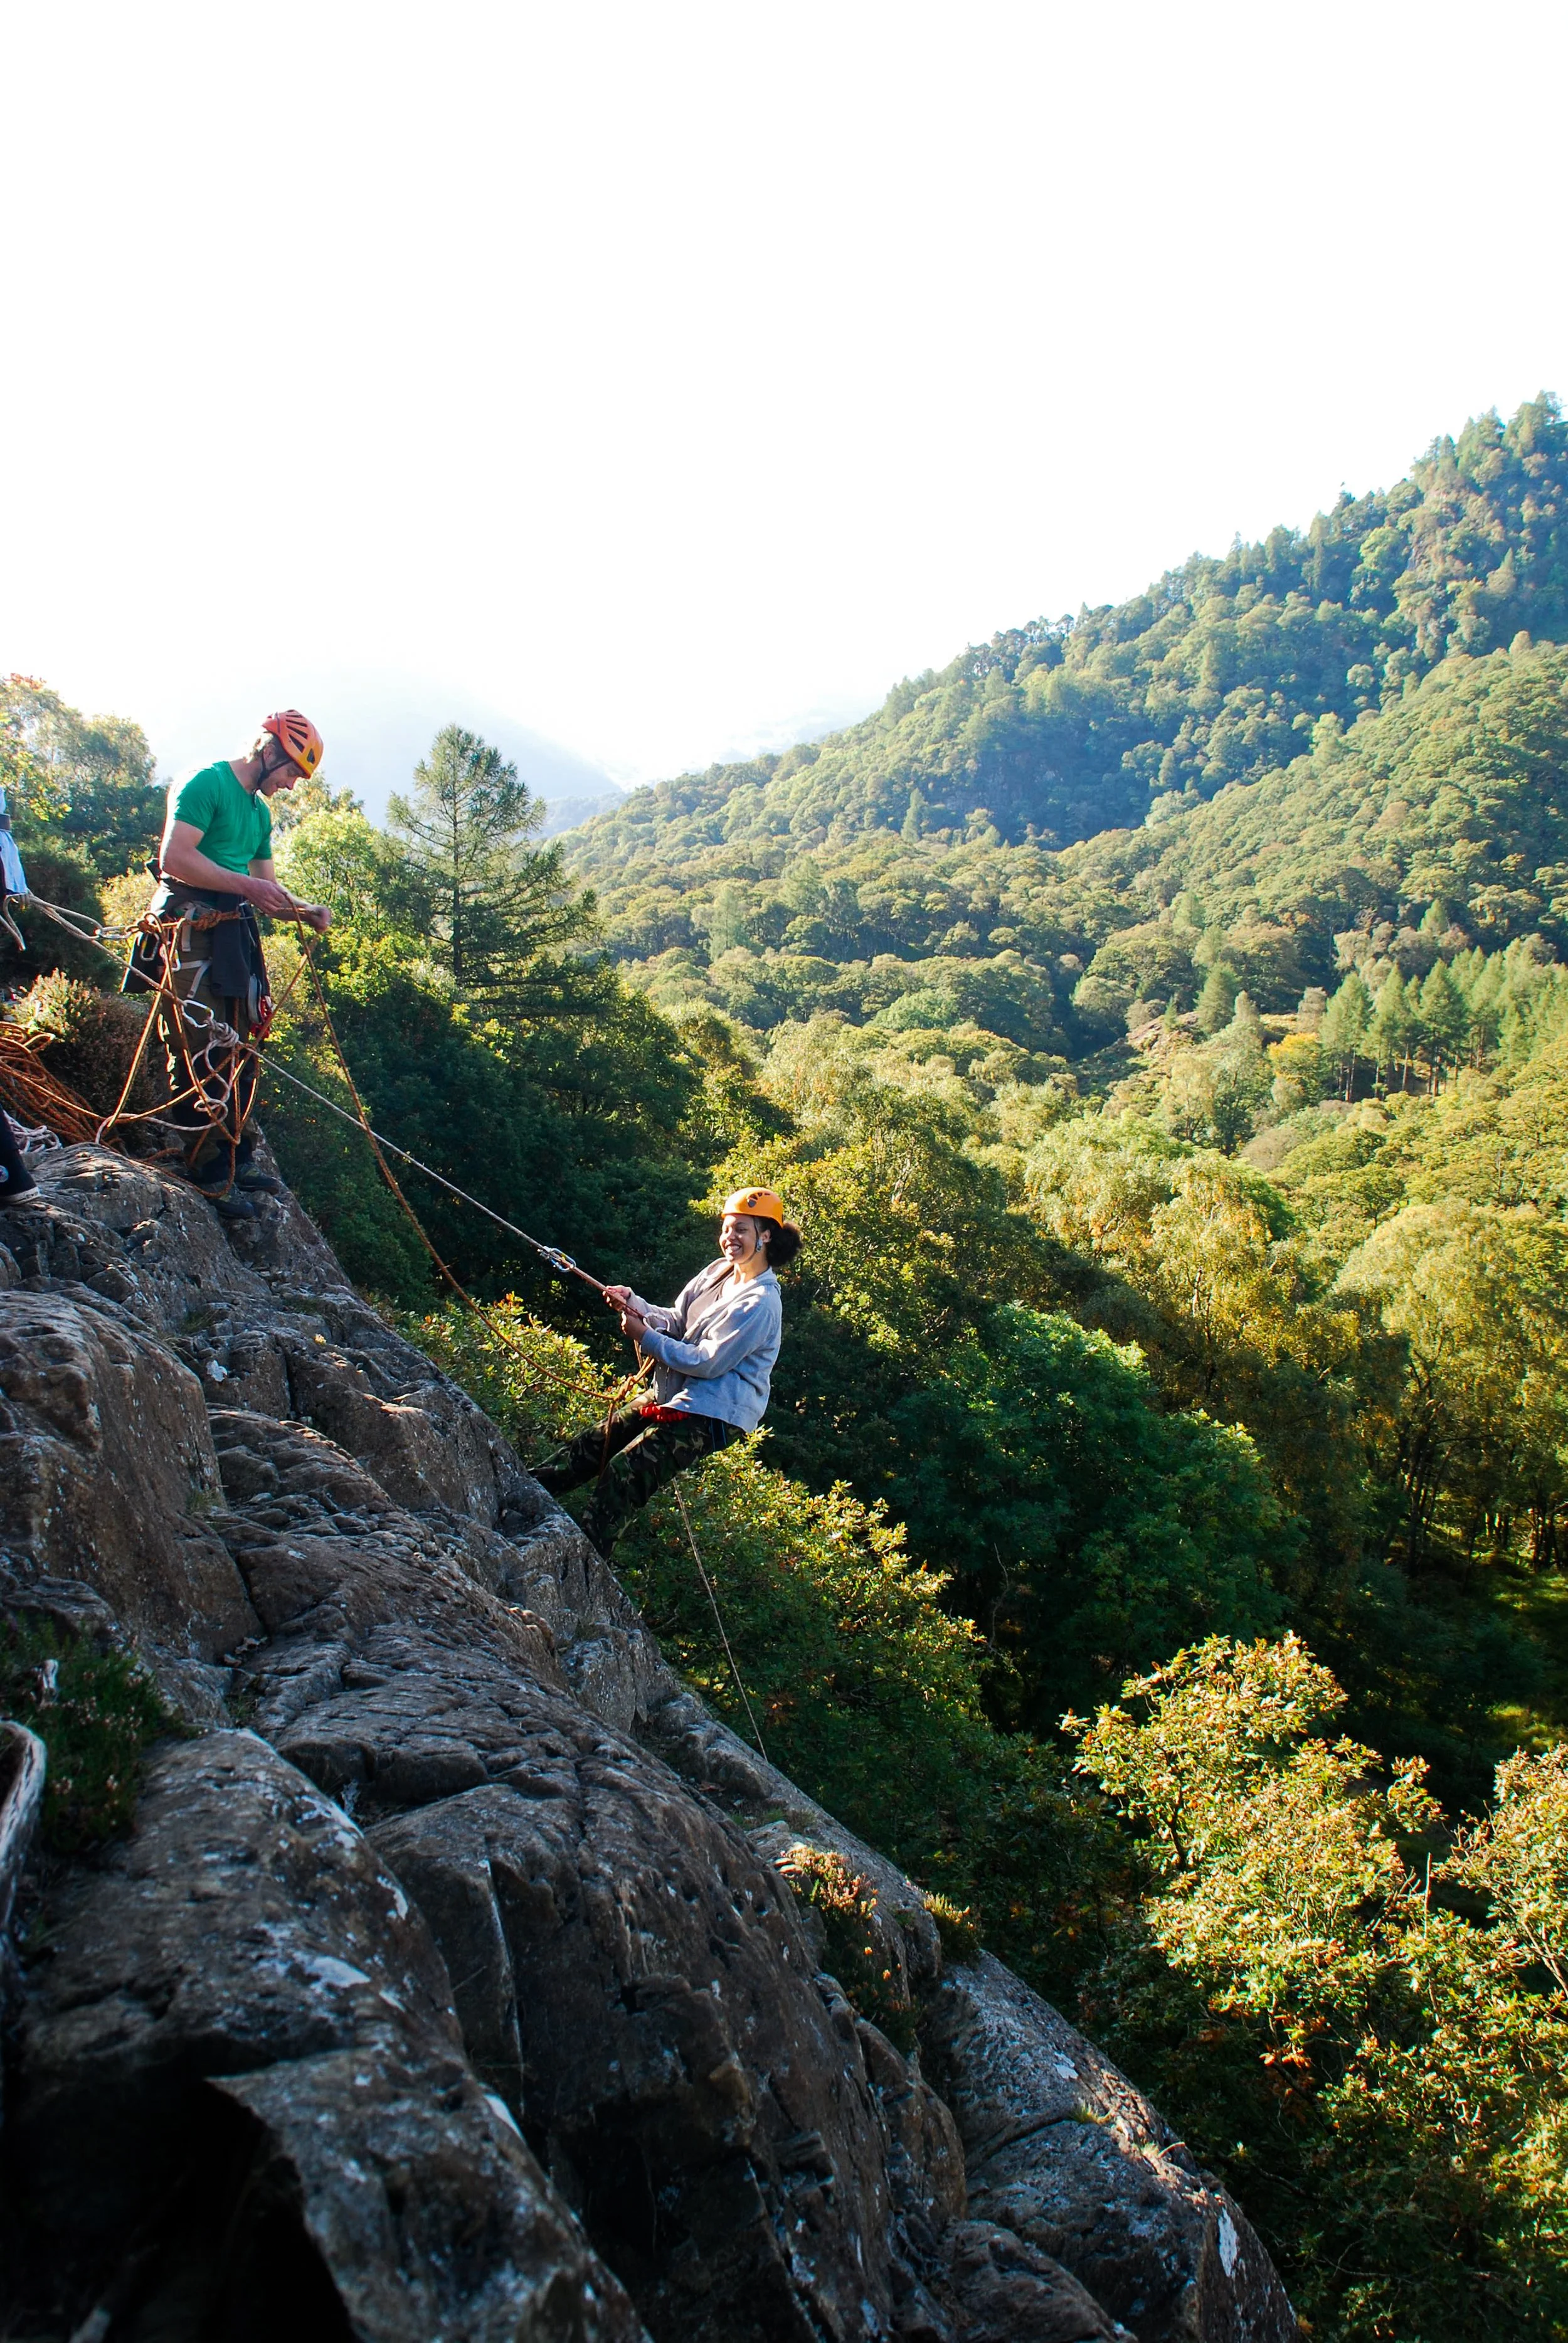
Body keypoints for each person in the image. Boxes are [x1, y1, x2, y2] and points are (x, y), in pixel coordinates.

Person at [125, 711, 334, 1221]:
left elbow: (268, 888)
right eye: (290, 773)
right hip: (190, 925)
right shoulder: (206, 782)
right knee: (204, 1043)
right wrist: (247, 888)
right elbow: (175, 857)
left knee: (242, 1043)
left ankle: (233, 1158)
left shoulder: (259, 815)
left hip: (233, 931)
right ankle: (208, 1170)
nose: (289, 785)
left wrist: (305, 909)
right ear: (270, 751)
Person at [533, 1186, 802, 1553]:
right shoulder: (719, 1272)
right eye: (727, 1228)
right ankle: (522, 1494)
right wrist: (635, 1304)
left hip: (714, 1412)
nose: (730, 1238)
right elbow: (677, 1322)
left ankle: (583, 1563)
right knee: (595, 1444)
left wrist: (644, 1336)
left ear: (766, 1235)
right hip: (678, 1391)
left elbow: (707, 1362)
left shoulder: (761, 1302)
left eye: (742, 1229)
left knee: (625, 1475)